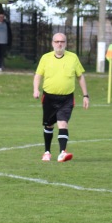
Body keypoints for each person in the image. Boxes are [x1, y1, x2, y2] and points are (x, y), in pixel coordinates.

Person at [33, 32, 89, 162]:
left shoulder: (73, 58)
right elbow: (38, 75)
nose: (59, 44)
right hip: (49, 97)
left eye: (62, 41)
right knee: (49, 125)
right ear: (52, 43)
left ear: (66, 44)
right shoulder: (45, 58)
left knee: (63, 123)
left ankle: (62, 152)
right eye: (57, 41)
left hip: (66, 98)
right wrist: (36, 89)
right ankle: (47, 152)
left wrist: (85, 95)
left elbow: (80, 76)